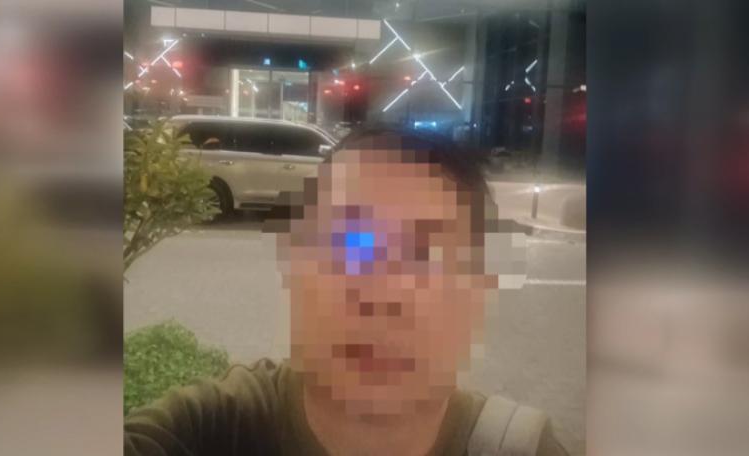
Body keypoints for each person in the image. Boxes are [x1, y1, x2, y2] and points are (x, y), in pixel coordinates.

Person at [124, 128, 568, 456]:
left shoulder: (521, 448)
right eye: (350, 245)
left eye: (430, 255)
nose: (385, 294)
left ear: (481, 290)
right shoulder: (205, 432)